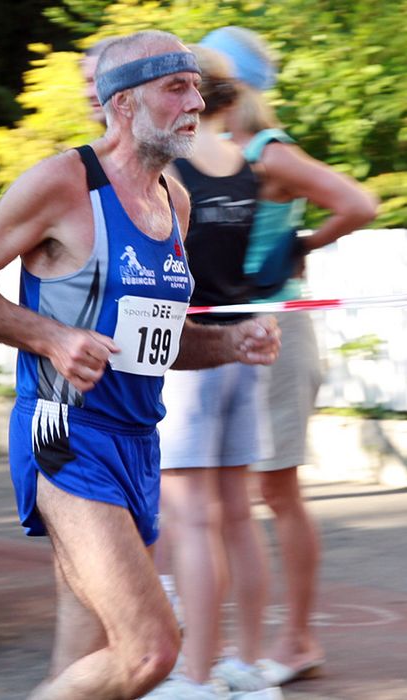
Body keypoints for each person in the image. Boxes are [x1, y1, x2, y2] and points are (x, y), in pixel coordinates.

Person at [0, 30, 281, 700]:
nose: (195, 102)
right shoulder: (63, 183)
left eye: (196, 87)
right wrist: (51, 338)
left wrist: (232, 343)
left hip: (138, 443)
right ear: (123, 104)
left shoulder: (174, 201)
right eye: (175, 87)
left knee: (84, 664)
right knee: (149, 651)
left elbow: (159, 342)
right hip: (64, 434)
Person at [202, 25, 378, 685]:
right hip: (226, 334)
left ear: (231, 84)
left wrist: (300, 246)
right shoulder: (215, 154)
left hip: (276, 331)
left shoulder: (267, 153)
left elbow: (358, 203)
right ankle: (228, 641)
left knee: (274, 490)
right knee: (222, 493)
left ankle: (297, 639)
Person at [145, 45, 280, 700]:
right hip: (243, 347)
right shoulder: (245, 164)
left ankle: (195, 676)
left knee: (191, 519)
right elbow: (266, 252)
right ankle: (245, 667)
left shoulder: (169, 167)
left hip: (192, 350)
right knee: (237, 516)